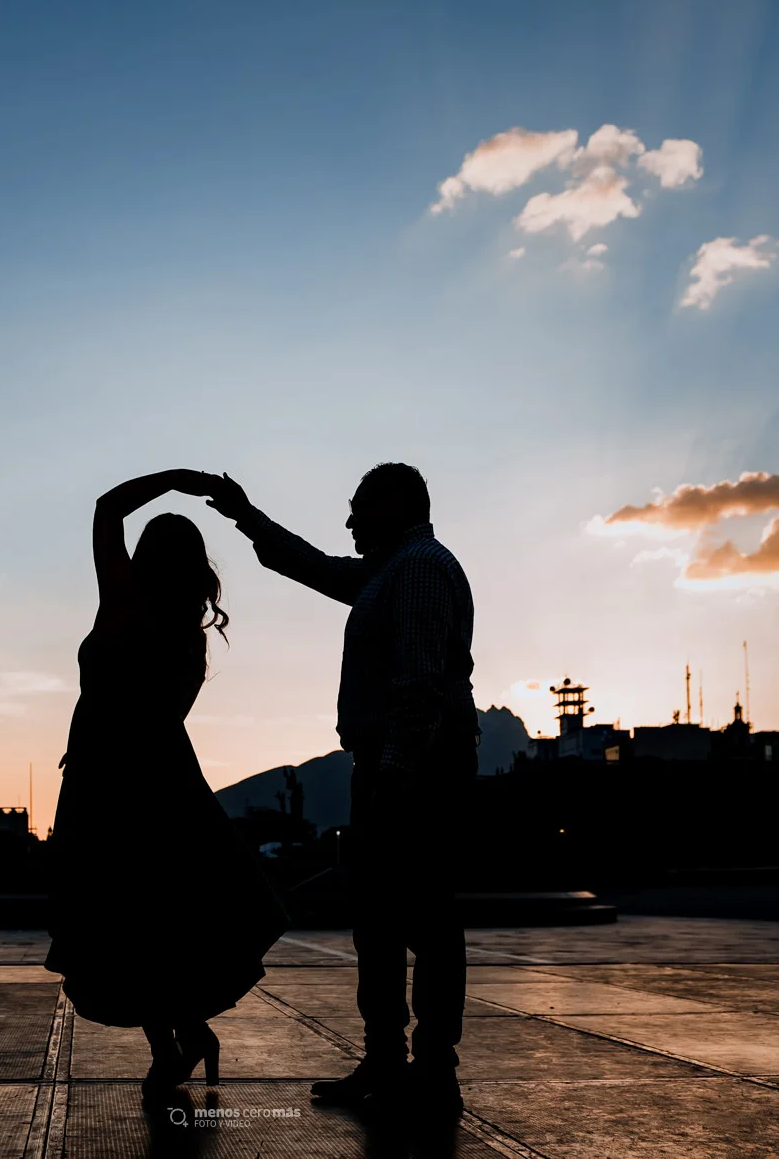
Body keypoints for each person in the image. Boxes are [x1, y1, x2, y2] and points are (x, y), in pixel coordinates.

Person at [207, 463, 477, 1116]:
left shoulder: (415, 569)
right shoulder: (388, 571)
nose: (350, 522)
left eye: (360, 508)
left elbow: (419, 684)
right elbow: (315, 567)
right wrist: (248, 516)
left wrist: (393, 773)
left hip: (413, 768)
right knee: (382, 923)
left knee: (424, 922)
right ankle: (392, 1063)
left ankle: (430, 1071)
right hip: (398, 764)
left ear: (394, 505)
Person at [46, 469, 287, 1105]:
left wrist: (179, 479)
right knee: (164, 920)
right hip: (165, 783)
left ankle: (172, 1049)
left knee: (124, 924)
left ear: (143, 559)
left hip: (109, 786)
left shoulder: (123, 603)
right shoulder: (188, 638)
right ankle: (187, 1039)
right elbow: (159, 718)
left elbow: (106, 508)